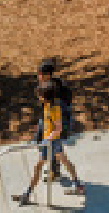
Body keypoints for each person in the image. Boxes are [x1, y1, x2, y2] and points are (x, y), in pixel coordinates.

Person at [12, 60, 80, 205]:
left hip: (51, 139)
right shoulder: (49, 100)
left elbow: (59, 127)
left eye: (41, 74)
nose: (38, 96)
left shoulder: (55, 105)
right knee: (64, 159)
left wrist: (47, 139)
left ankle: (28, 193)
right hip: (50, 134)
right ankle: (77, 184)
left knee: (39, 166)